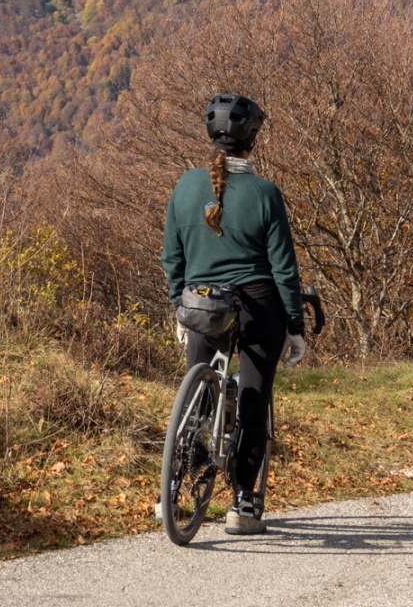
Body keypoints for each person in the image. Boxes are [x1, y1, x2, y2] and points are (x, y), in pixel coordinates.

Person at [160, 92, 306, 536]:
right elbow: (284, 268)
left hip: (201, 302)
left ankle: (176, 480)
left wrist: (178, 306)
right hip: (258, 306)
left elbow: (172, 257)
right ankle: (243, 502)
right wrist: (296, 327)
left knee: (199, 397)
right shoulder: (265, 193)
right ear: (253, 139)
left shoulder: (185, 186)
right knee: (253, 399)